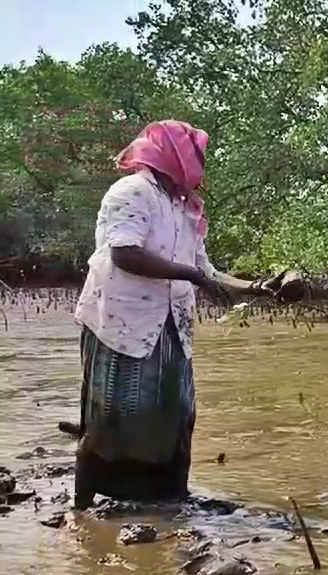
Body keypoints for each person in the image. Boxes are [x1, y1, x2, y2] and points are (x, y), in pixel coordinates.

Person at [72, 120, 288, 509]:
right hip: (122, 324)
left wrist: (260, 288)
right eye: (196, 155)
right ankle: (82, 508)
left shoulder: (184, 209)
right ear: (174, 156)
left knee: (177, 414)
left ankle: (174, 501)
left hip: (170, 327)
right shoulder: (132, 191)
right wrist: (192, 276)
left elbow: (207, 270)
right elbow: (125, 254)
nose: (199, 164)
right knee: (112, 417)